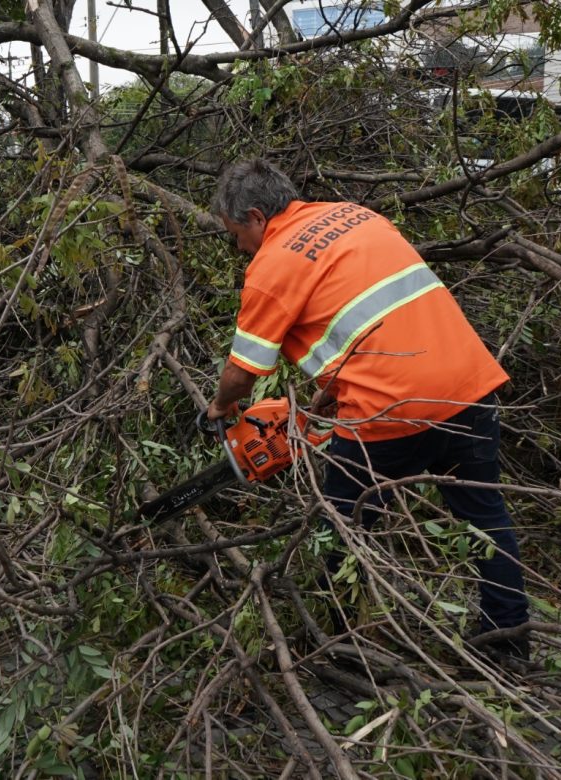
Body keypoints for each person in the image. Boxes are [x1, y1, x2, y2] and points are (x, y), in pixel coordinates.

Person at [205, 158, 530, 660]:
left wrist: (221, 406)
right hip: (470, 387)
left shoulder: (271, 266)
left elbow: (244, 370)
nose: (238, 247)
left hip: (390, 412)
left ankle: (335, 642)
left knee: (342, 528)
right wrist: (328, 395)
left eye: (235, 235)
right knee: (487, 522)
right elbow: (377, 319)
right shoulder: (357, 216)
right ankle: (508, 645)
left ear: (254, 216)